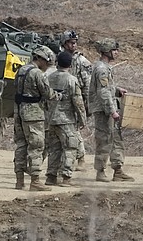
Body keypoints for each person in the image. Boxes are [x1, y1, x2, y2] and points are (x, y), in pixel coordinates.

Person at [13, 45, 59, 192]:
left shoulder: (21, 70)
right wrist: (58, 95)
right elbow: (47, 93)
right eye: (46, 62)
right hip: (33, 114)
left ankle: (19, 180)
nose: (47, 65)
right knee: (37, 146)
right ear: (39, 58)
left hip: (19, 111)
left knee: (21, 145)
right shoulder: (37, 74)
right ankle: (35, 180)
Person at [89, 38, 134, 182]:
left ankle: (118, 170)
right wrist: (112, 111)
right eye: (114, 50)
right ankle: (100, 171)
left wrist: (117, 90)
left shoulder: (104, 67)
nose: (117, 53)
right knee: (104, 140)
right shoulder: (102, 69)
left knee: (116, 139)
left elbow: (107, 89)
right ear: (107, 51)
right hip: (104, 111)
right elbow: (102, 92)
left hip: (108, 108)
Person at [45, 51, 87, 187]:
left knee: (54, 149)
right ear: (70, 64)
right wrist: (82, 120)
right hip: (66, 119)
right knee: (70, 147)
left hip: (51, 119)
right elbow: (78, 102)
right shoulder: (71, 80)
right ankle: (66, 177)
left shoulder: (49, 77)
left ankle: (51, 177)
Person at [59, 29, 91, 170]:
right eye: (71, 42)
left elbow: (88, 85)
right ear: (64, 43)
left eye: (75, 42)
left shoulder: (81, 61)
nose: (74, 45)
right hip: (59, 101)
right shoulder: (58, 57)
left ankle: (81, 158)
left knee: (74, 130)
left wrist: (85, 105)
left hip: (76, 99)